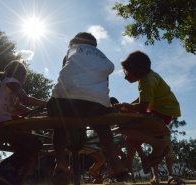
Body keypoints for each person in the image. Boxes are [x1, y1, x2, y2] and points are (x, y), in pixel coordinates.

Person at [47, 32, 130, 185]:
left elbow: (64, 75)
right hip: (95, 102)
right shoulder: (102, 57)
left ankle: (61, 164)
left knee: (61, 125)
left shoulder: (72, 52)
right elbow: (105, 85)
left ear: (74, 43)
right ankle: (115, 162)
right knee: (101, 124)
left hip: (66, 100)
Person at [0, 60, 47, 185]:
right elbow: (26, 100)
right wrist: (46, 103)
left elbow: (21, 107)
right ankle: (2, 167)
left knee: (27, 146)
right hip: (1, 121)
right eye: (25, 76)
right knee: (35, 143)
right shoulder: (12, 81)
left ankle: (7, 175)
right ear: (21, 74)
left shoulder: (6, 86)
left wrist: (40, 114)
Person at [115, 51, 181, 180]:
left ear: (136, 71)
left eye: (126, 73)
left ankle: (158, 145)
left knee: (123, 127)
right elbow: (143, 99)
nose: (125, 77)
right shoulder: (148, 77)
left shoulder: (147, 82)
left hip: (161, 113)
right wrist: (127, 108)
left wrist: (125, 105)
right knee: (131, 132)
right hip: (163, 111)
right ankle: (135, 165)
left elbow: (142, 107)